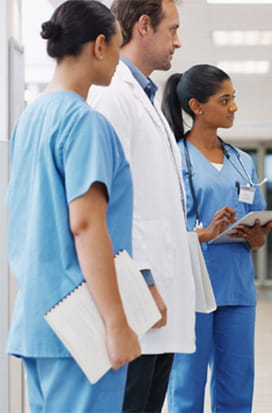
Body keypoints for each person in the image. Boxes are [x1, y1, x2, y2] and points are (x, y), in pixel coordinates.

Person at [5, 1, 141, 411]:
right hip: (82, 323)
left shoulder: (30, 119)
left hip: (38, 318)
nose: (119, 60)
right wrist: (117, 323)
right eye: (118, 47)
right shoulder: (85, 123)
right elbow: (86, 226)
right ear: (99, 45)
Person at [87, 1, 196, 412]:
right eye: (173, 30)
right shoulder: (114, 97)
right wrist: (143, 279)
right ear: (145, 26)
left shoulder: (143, 98)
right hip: (136, 295)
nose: (178, 42)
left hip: (154, 299)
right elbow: (105, 204)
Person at [161, 64, 272, 413]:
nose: (233, 107)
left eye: (233, 98)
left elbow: (257, 213)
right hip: (193, 286)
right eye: (225, 100)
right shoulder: (173, 158)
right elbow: (159, 228)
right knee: (186, 387)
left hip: (237, 287)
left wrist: (256, 236)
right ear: (197, 106)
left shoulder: (241, 161)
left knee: (237, 386)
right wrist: (203, 233)